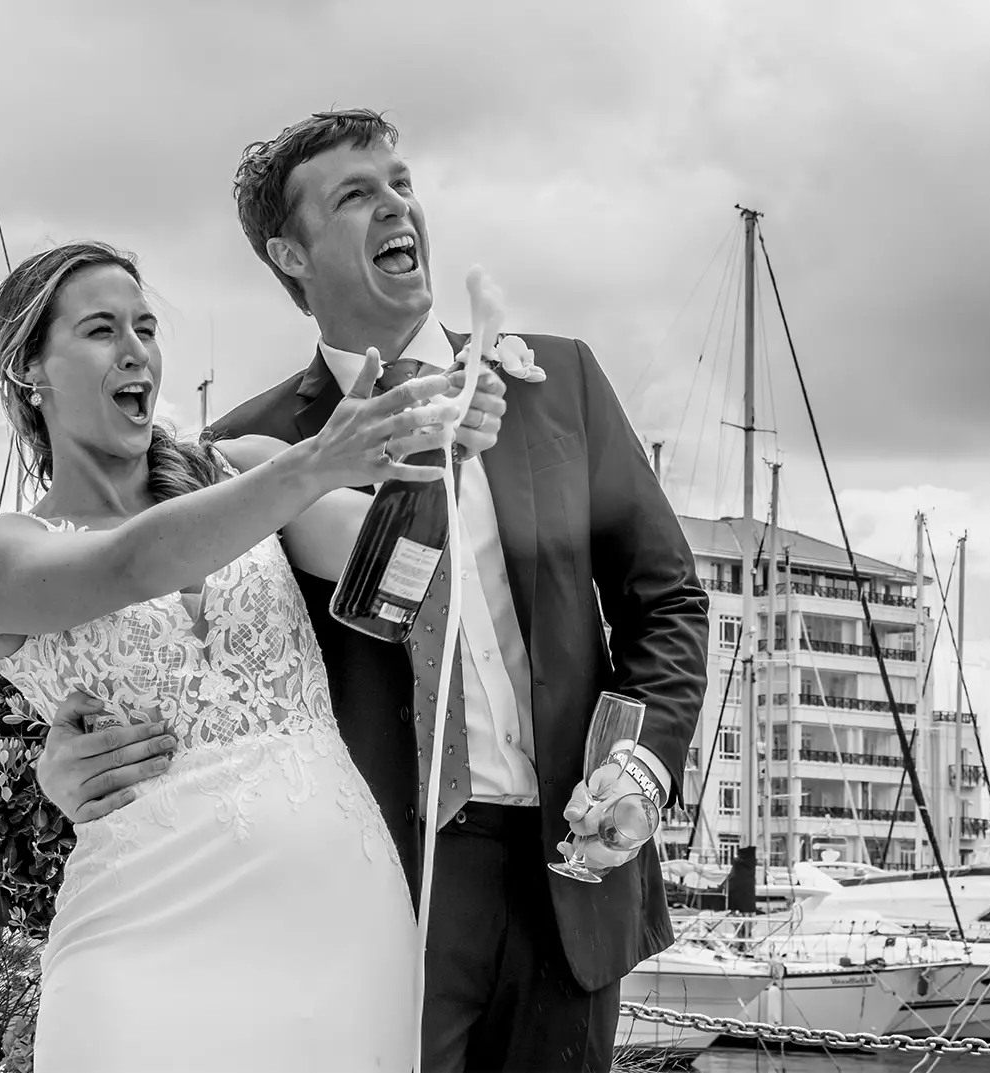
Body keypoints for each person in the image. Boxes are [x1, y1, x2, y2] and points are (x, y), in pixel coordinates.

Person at [37, 109, 711, 1071]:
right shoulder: (245, 449)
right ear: (290, 252)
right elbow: (130, 600)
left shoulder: (559, 380)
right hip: (380, 892)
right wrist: (51, 764)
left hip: (576, 874)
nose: (398, 205)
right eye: (356, 194)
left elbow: (668, 604)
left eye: (400, 183)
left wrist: (642, 765)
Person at [0, 239, 508, 1071]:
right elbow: (133, 564)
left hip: (339, 916)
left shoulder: (240, 468)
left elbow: (402, 573)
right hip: (140, 929)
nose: (136, 349)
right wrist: (316, 462)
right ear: (29, 371)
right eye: (101, 330)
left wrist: (442, 441)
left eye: (145, 325)